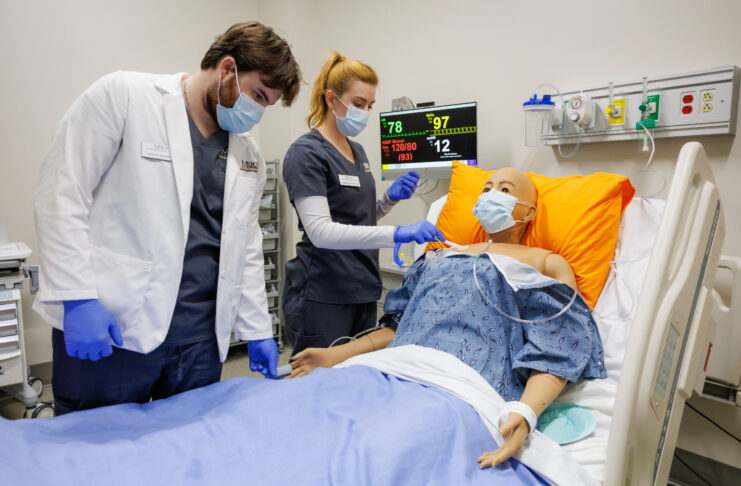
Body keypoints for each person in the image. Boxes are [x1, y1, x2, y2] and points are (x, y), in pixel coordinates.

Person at [33, 21, 302, 415]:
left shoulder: (248, 156)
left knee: (185, 455)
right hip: (115, 331)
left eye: (267, 104)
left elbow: (245, 246)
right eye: (257, 95)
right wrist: (76, 299)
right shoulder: (125, 96)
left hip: (199, 345)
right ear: (227, 68)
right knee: (98, 460)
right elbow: (61, 193)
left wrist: (258, 328)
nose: (257, 113)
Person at [286, 167, 607, 468]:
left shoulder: (545, 262)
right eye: (486, 188)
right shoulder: (443, 254)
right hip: (393, 367)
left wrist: (524, 412)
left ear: (528, 212)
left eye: (505, 189)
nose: (491, 194)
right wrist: (335, 355)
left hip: (459, 384)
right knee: (307, 421)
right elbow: (398, 325)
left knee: (376, 451)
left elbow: (561, 341)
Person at [281, 52, 444, 356]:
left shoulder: (357, 151)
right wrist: (398, 233)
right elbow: (322, 231)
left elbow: (358, 217)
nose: (365, 113)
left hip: (363, 288)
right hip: (323, 292)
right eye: (358, 104)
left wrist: (387, 200)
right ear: (331, 99)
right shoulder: (306, 154)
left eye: (369, 106)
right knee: (316, 382)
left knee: (356, 377)